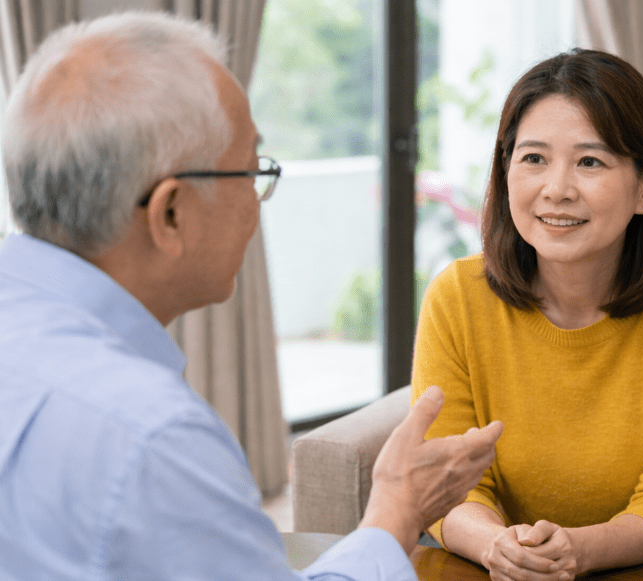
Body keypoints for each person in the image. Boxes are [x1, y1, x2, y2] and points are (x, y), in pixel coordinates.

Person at [0, 12, 503, 581]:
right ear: (170, 212)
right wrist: (395, 511)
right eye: (250, 171)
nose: (259, 200)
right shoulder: (153, 438)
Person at [411, 49, 643, 581]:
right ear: (505, 172)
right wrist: (498, 546)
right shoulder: (456, 295)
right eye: (533, 159)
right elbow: (447, 480)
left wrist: (575, 550)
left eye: (590, 162)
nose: (557, 189)